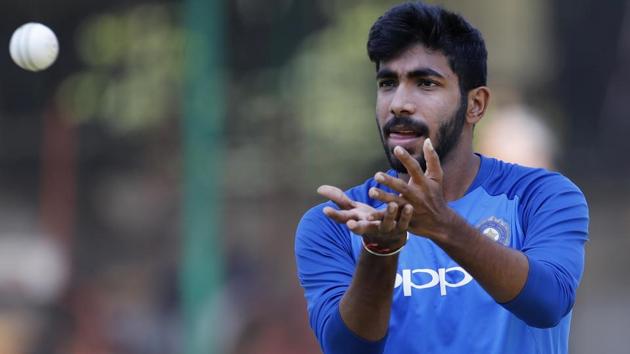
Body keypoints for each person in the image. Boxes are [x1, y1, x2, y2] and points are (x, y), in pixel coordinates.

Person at [294, 2, 589, 354]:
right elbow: (346, 349)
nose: (399, 103)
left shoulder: (542, 196)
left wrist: (443, 224)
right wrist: (381, 250)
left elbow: (549, 303)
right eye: (388, 83)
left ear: (476, 104)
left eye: (426, 83)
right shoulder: (337, 224)